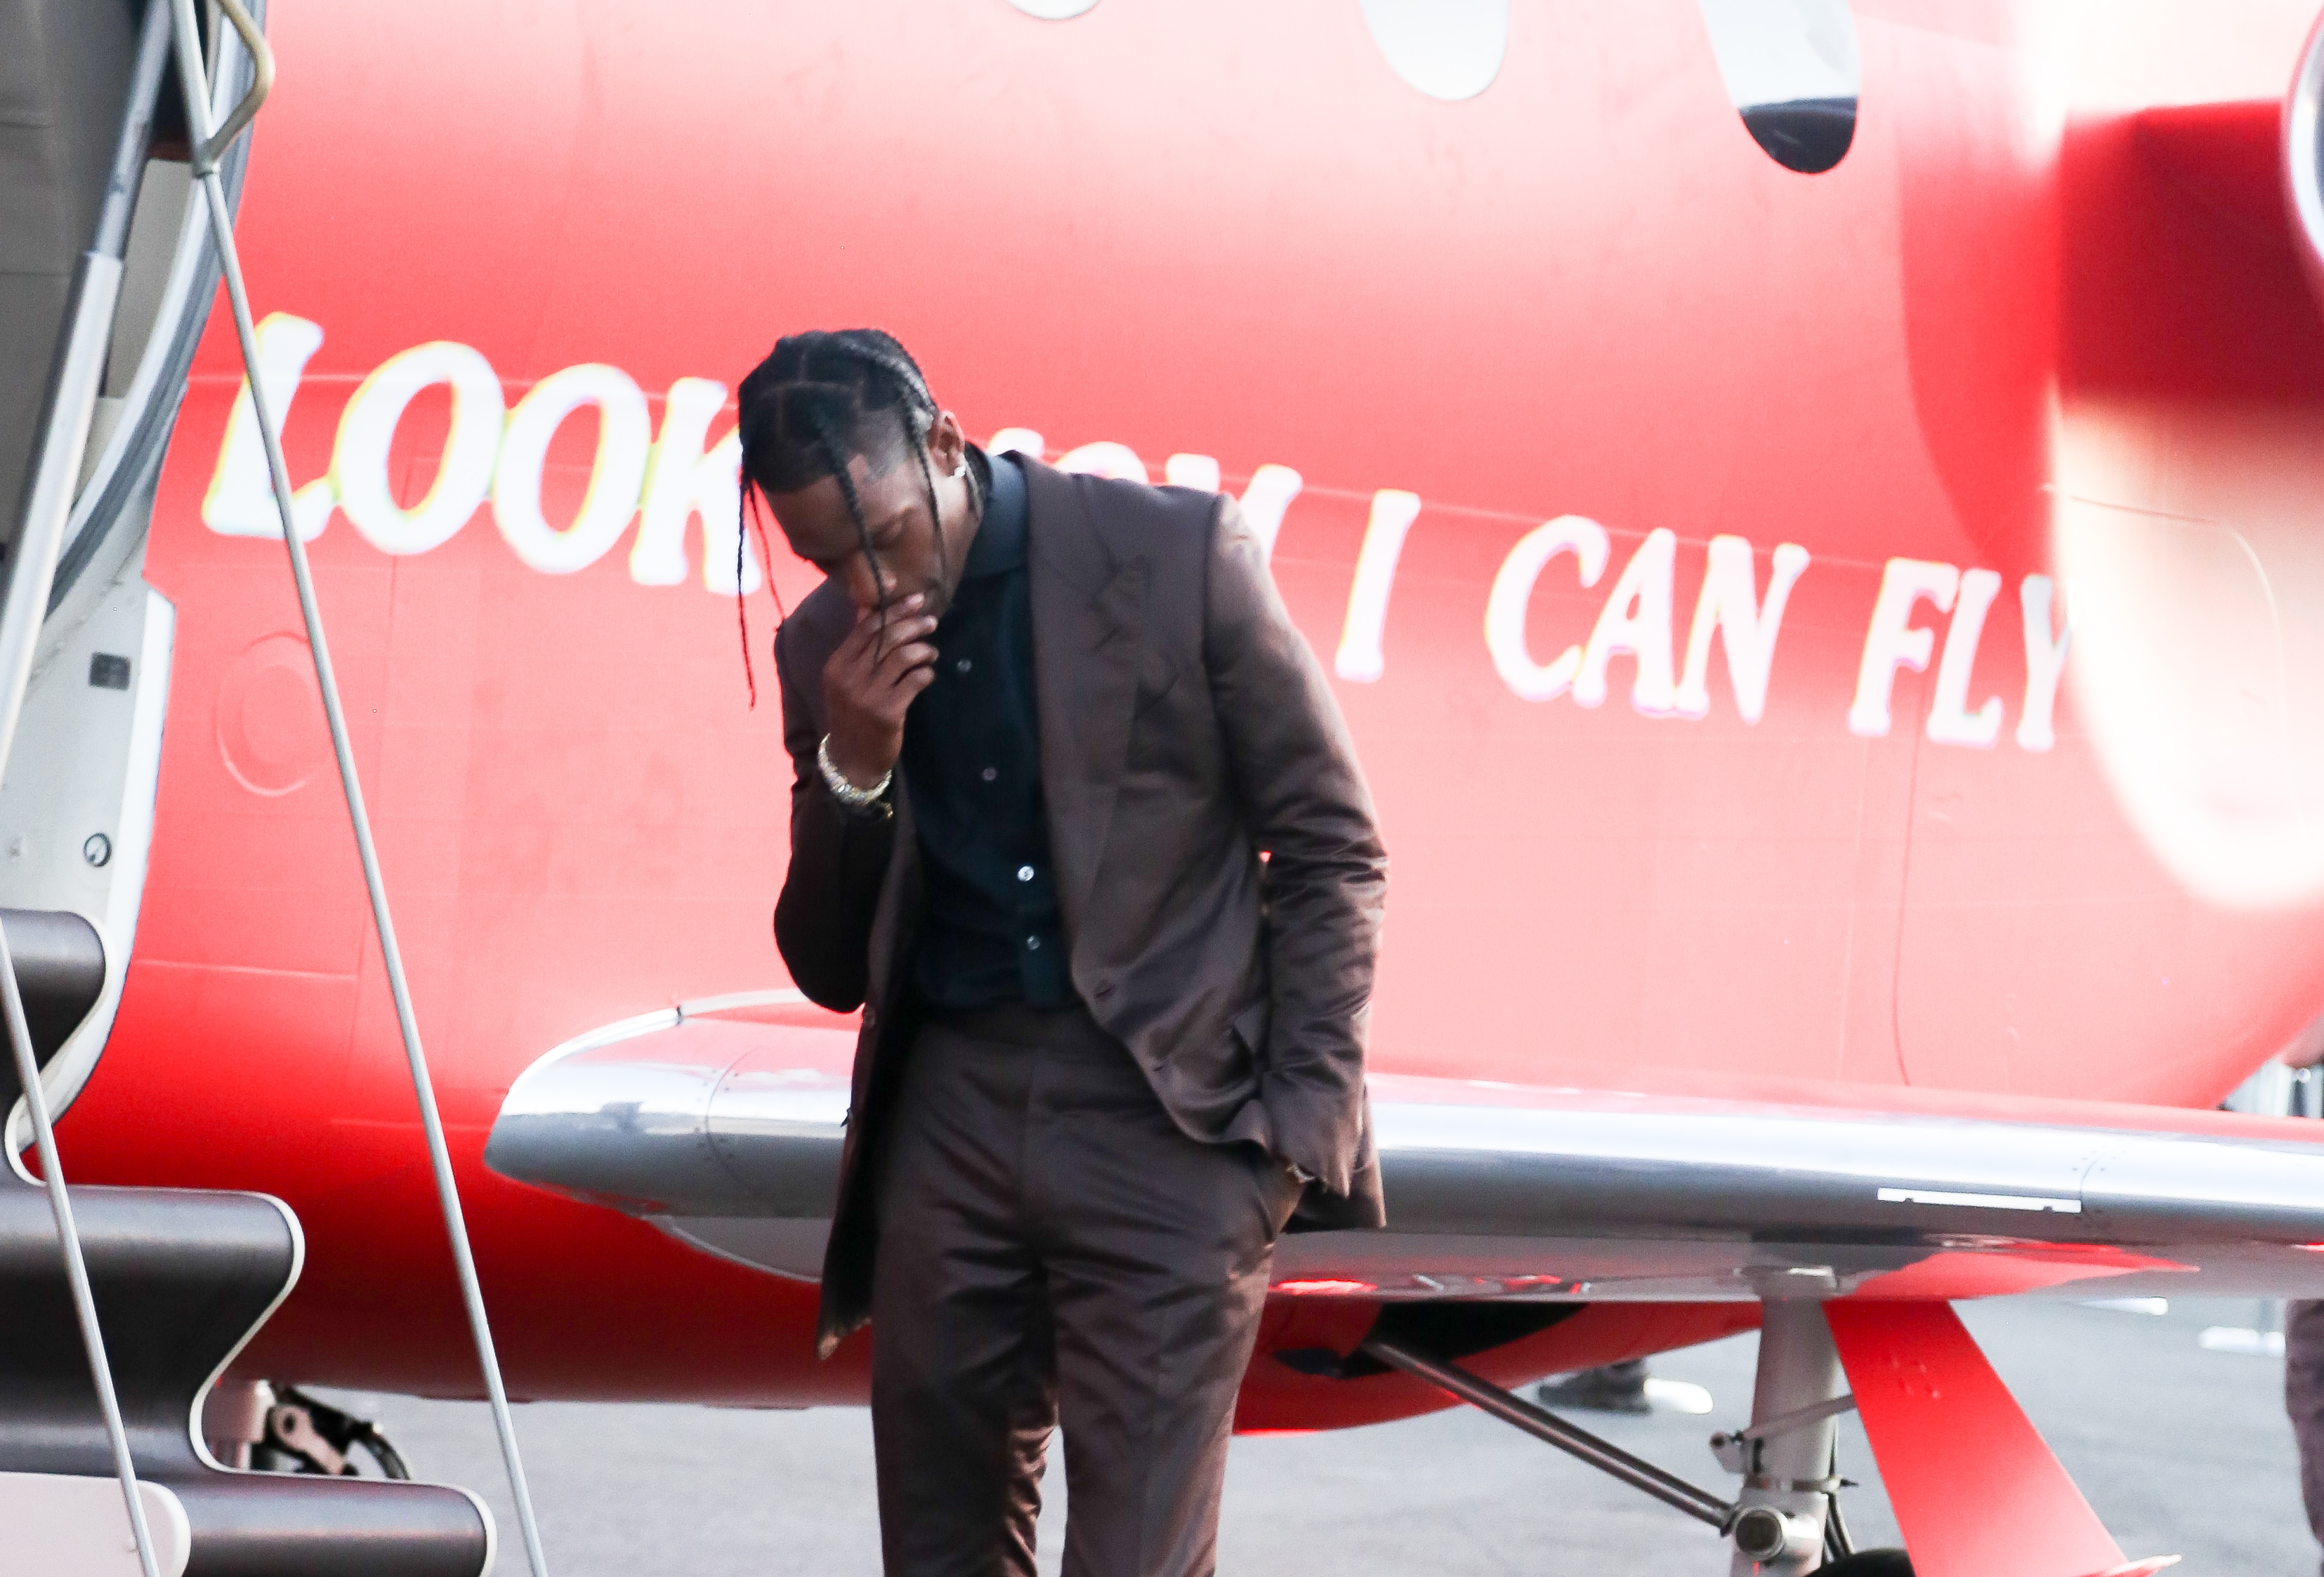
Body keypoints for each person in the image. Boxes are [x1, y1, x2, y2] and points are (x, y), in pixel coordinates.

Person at [738, 329, 1388, 1577]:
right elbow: (828, 963)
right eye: (824, 556)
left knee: (1138, 1560)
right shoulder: (824, 651)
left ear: (941, 444)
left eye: (882, 535)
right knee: (940, 1552)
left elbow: (1331, 846)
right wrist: (854, 771)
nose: (868, 585)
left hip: (1167, 1118)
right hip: (951, 1121)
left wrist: (1291, 1129)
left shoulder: (1177, 555)